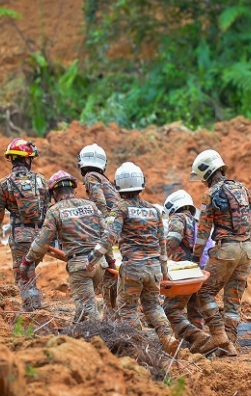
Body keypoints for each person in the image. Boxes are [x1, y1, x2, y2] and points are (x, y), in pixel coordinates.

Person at [87, 162, 180, 354]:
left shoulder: (120, 208)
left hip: (132, 269)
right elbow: (161, 242)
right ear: (141, 183)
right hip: (154, 267)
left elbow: (109, 236)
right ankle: (167, 337)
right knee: (154, 306)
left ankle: (140, 345)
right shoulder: (154, 210)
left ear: (118, 185)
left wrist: (93, 257)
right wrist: (164, 271)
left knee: (128, 309)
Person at [189, 150, 251, 356]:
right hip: (247, 249)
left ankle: (218, 334)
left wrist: (194, 260)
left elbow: (203, 232)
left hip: (227, 249)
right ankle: (229, 344)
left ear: (206, 173)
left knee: (203, 292)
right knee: (233, 298)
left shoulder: (210, 194)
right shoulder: (243, 189)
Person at [19, 170, 107, 322]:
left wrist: (27, 261)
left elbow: (42, 242)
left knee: (90, 312)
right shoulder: (91, 206)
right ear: (73, 189)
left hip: (81, 267)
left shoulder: (55, 211)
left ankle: (101, 340)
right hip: (100, 264)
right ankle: (77, 330)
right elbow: (107, 235)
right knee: (82, 307)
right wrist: (110, 262)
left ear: (53, 193)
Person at [0, 138, 50, 311]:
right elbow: (48, 211)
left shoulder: (4, 184)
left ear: (12, 159)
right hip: (42, 238)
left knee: (24, 278)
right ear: (27, 159)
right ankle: (35, 310)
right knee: (30, 273)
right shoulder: (42, 181)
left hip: (21, 239)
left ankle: (33, 313)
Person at [161, 190, 212, 351]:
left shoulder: (178, 218)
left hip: (183, 272)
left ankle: (195, 336)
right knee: (195, 311)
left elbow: (172, 241)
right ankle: (202, 348)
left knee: (170, 309)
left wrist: (157, 256)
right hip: (198, 272)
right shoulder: (197, 222)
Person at [78, 143, 120, 312]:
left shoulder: (91, 177)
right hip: (118, 225)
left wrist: (101, 228)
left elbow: (99, 203)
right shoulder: (105, 179)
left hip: (109, 227)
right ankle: (114, 311)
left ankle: (111, 314)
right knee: (112, 270)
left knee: (108, 270)